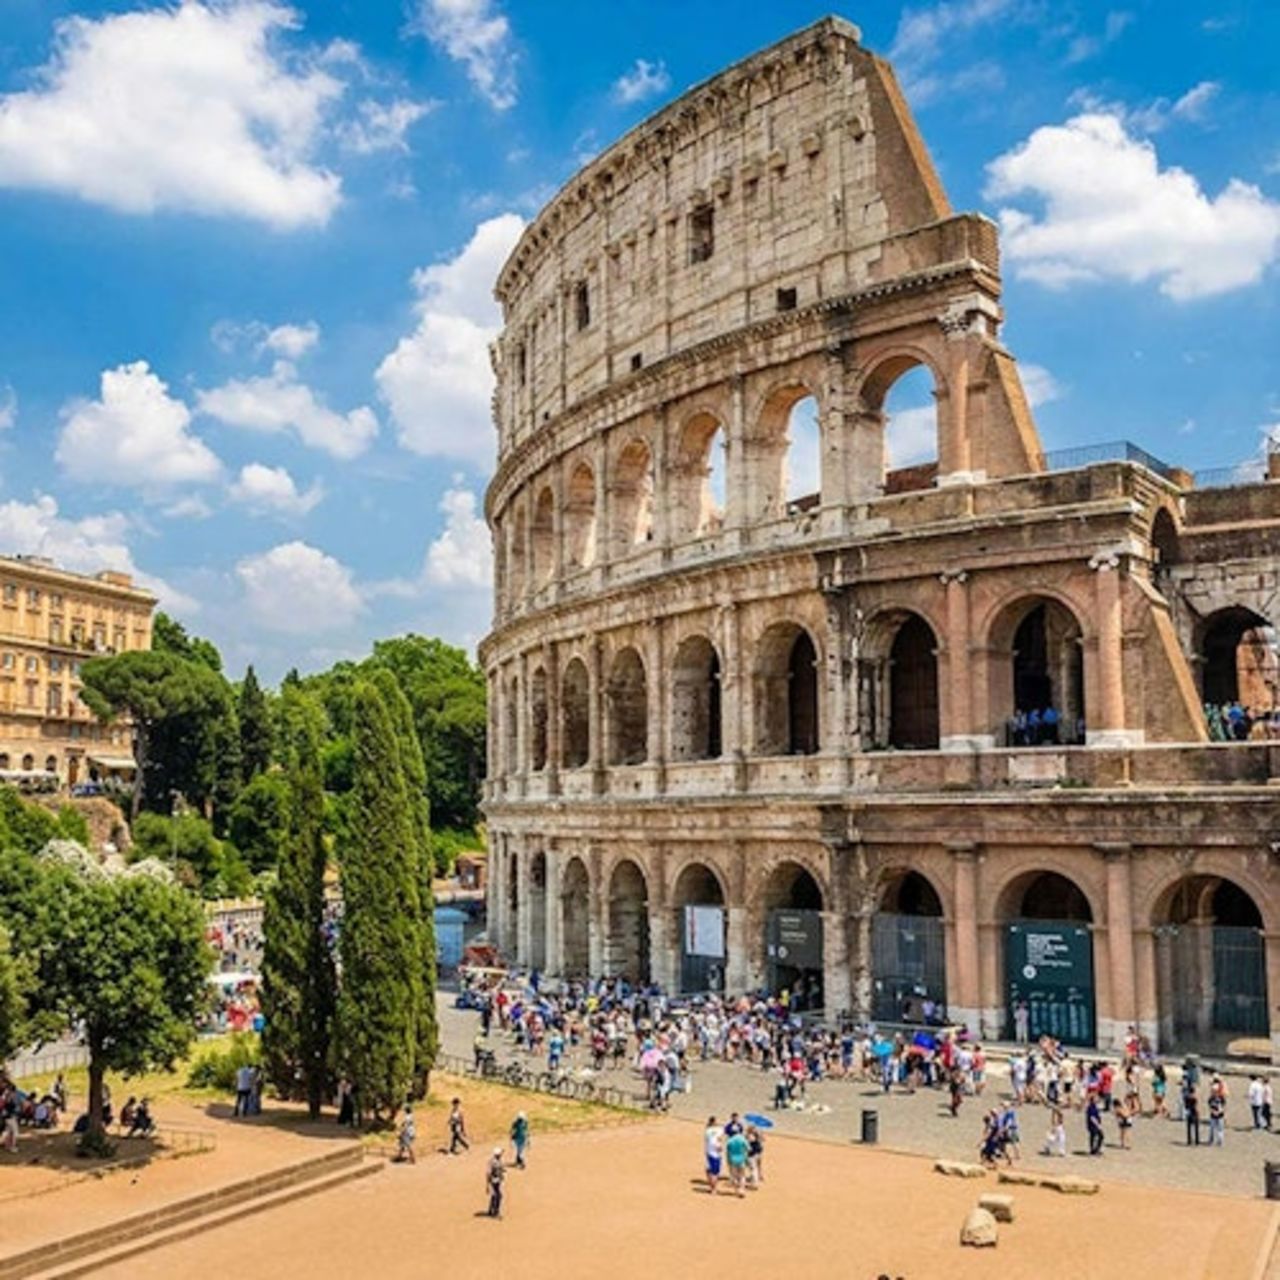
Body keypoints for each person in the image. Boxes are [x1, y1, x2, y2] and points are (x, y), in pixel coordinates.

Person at [724, 1125, 749, 1198]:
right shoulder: (742, 1139)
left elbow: (728, 1152)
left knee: (734, 1176)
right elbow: (748, 1149)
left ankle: (736, 1191)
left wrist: (728, 1161)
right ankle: (742, 1190)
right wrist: (745, 1157)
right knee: (742, 1176)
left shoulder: (730, 1140)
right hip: (742, 1159)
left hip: (733, 1160)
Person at [704, 1115, 722, 1195]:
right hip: (716, 1154)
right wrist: (719, 1147)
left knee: (709, 1171)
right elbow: (718, 1140)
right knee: (715, 1173)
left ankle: (712, 1187)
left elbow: (708, 1140)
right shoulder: (719, 1130)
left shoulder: (707, 1130)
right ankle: (714, 1188)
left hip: (708, 1153)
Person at [486, 1147, 505, 1219]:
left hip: (497, 1181)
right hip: (494, 1181)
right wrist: (488, 1185)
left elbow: (501, 1169)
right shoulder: (493, 1162)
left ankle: (491, 1210)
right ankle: (496, 1212)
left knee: (494, 1196)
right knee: (498, 1196)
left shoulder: (498, 1160)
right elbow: (488, 1173)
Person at [1207, 1077, 1226, 1146]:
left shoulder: (1221, 1098)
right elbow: (1209, 1106)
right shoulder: (1211, 1098)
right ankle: (1211, 1141)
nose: (1213, 1092)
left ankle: (1220, 1141)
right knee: (1212, 1129)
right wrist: (1213, 1111)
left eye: (1215, 1091)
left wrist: (1219, 1112)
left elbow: (1223, 1106)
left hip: (1220, 1115)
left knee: (1220, 1129)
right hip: (1213, 1115)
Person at [1183, 1080, 1201, 1146]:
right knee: (1196, 1128)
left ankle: (1189, 1141)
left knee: (1189, 1128)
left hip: (1188, 1112)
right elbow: (1196, 1106)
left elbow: (1185, 1106)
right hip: (1194, 1113)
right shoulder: (1194, 1098)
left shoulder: (1186, 1097)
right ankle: (1197, 1141)